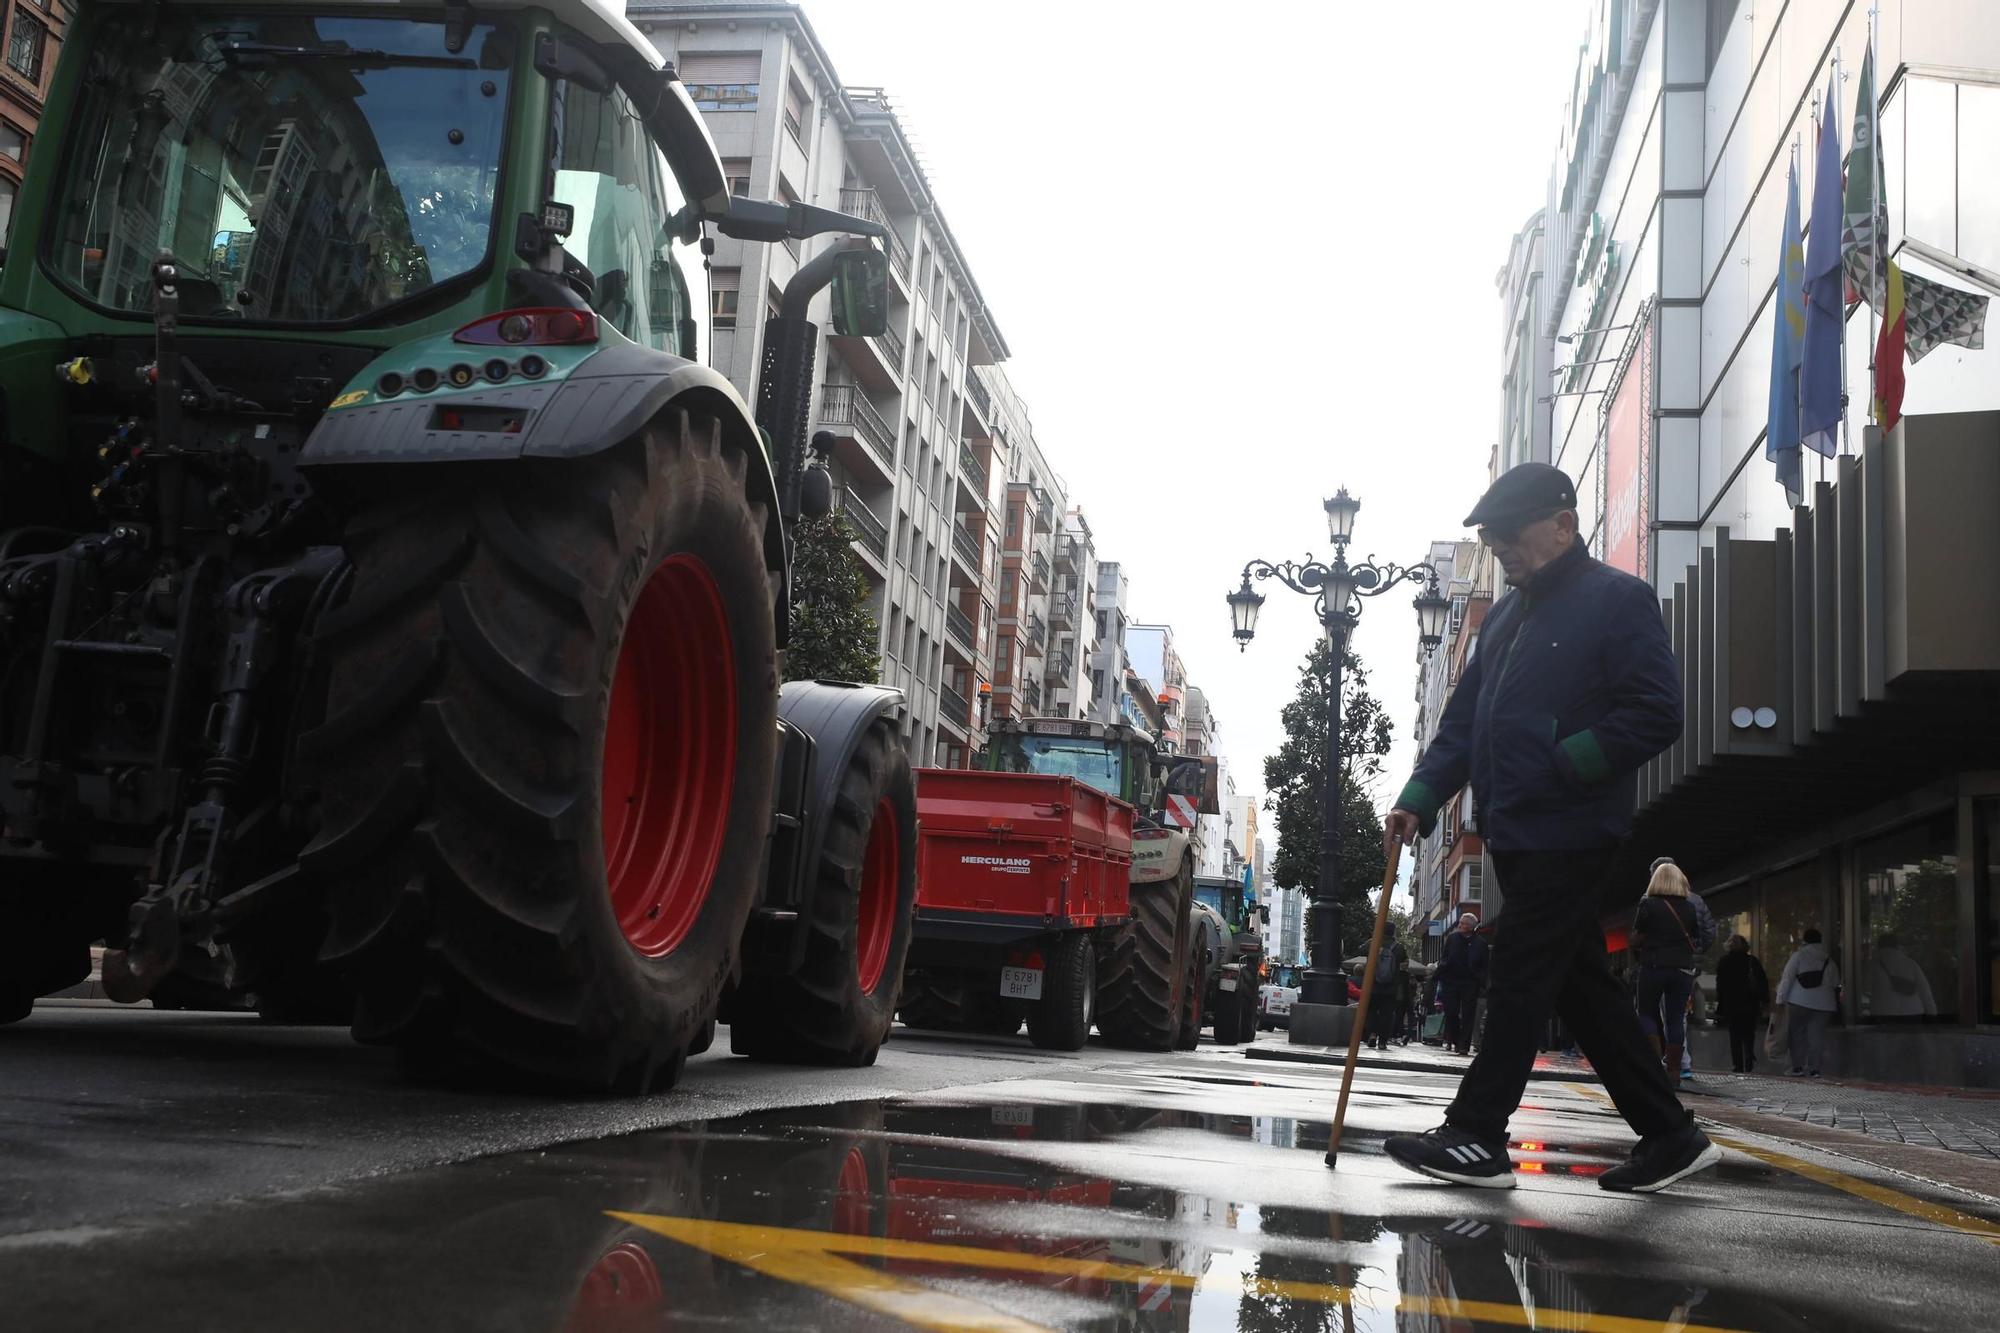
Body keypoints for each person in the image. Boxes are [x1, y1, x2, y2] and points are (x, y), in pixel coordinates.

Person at [1380, 463, 1718, 1195]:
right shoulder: (1503, 618)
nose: (1499, 545)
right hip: (1519, 830)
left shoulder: (1617, 600)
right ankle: (1671, 1134)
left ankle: (1477, 1133)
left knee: (1521, 972)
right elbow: (1463, 723)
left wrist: (1571, 760)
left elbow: (1658, 710)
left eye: (1511, 531)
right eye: (1492, 536)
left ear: (1563, 524)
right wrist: (1421, 796)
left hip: (1576, 825)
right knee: (1578, 986)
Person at [1630, 861, 1706, 1084]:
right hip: (1682, 969)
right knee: (1676, 1018)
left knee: (1646, 1012)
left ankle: (1653, 1065)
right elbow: (1696, 936)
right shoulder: (1690, 908)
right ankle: (1674, 1071)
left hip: (1653, 966)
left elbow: (1637, 937)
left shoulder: (1648, 905)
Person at [1774, 928, 1840, 1077]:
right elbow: (1836, 982)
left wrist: (1780, 1000)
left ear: (1805, 940)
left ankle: (1797, 1067)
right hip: (1824, 1004)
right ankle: (1815, 1069)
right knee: (1817, 1037)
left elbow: (1787, 979)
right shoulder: (1828, 960)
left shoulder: (1798, 956)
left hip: (1799, 1001)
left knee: (1796, 1034)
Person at [1432, 914, 1488, 1055]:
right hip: (1451, 981)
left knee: (1469, 1014)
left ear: (1469, 926)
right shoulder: (1452, 939)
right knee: (1451, 1012)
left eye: (1462, 923)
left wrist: (1481, 980)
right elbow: (1444, 957)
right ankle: (1457, 1040)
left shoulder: (1480, 943)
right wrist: (1441, 971)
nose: (1459, 925)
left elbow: (1485, 965)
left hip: (1470, 982)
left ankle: (1464, 1045)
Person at [1714, 936, 1769, 1072]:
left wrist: (1720, 1006)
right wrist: (1765, 1000)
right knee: (1749, 1034)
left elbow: (1720, 986)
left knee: (1735, 1035)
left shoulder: (1724, 962)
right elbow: (1762, 982)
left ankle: (1737, 1064)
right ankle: (1749, 1059)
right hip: (1750, 1004)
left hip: (1731, 1004)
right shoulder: (1752, 961)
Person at [1866, 933, 1937, 1021]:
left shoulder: (1873, 965)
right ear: (1897, 946)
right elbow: (1924, 990)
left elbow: (1866, 987)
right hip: (1912, 1011)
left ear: (1879, 946)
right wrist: (1932, 1013)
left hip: (1882, 1012)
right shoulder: (1911, 964)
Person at [1367, 936, 1408, 1050]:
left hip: (1374, 986)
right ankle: (1383, 1041)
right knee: (1387, 1015)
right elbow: (1405, 965)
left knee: (1372, 1011)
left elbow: (1361, 949)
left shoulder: (1373, 944)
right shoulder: (1399, 948)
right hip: (1391, 988)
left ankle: (1373, 1034)